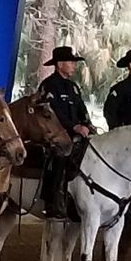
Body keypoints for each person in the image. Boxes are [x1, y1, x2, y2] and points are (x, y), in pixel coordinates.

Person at [37, 46, 93, 219]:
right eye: (70, 62)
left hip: (77, 134)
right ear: (60, 64)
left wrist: (87, 124)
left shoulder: (73, 87)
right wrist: (73, 127)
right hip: (55, 134)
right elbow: (51, 112)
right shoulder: (49, 85)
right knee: (60, 155)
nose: (73, 65)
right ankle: (52, 200)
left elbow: (81, 109)